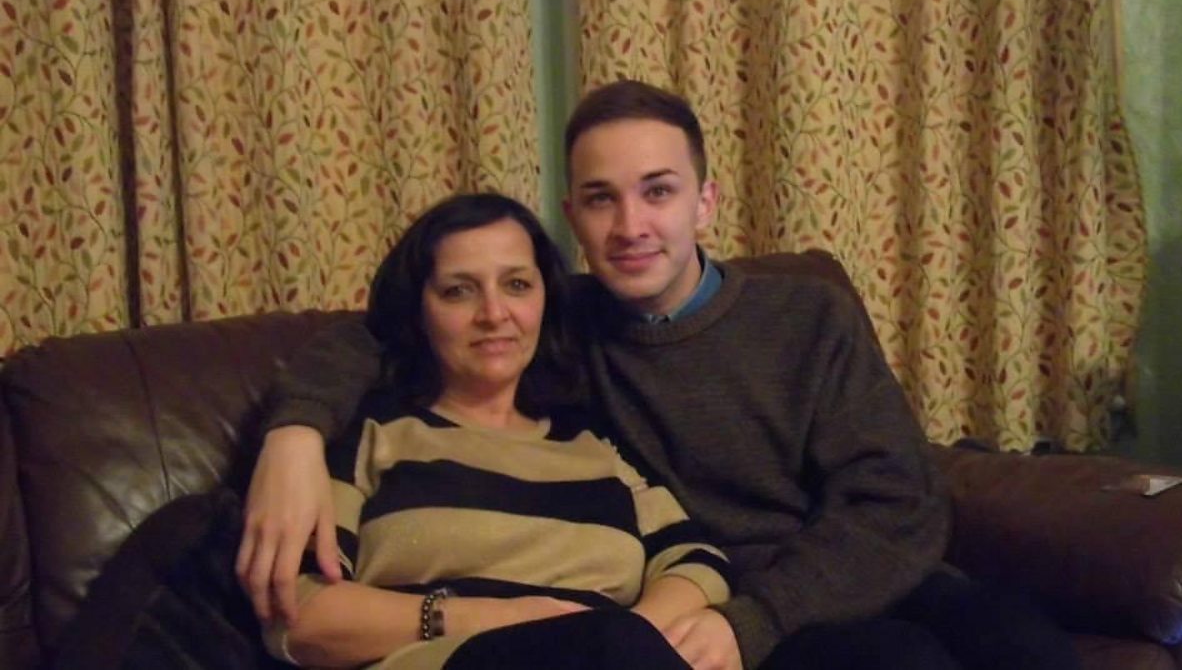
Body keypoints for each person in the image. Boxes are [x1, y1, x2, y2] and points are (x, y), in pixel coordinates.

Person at [238, 81, 1079, 670]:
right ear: (572, 216)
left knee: (1023, 642)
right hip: (727, 610)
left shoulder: (808, 316)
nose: (631, 225)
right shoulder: (556, 321)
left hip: (831, 580)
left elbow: (898, 504)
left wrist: (756, 617)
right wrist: (294, 433)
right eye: (602, 198)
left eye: (658, 192)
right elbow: (385, 329)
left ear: (704, 202)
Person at [257, 192, 730, 669]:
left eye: (517, 285)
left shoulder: (594, 445)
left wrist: (637, 632)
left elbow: (696, 560)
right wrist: (496, 619)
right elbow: (299, 614)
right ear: (418, 310)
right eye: (458, 291)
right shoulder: (372, 435)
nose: (494, 313)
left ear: (546, 299)